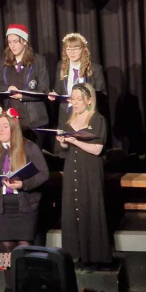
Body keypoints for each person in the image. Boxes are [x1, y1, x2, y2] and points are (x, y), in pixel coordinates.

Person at [0, 109, 49, 292]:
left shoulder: (29, 148)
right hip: (2, 208)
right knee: (6, 249)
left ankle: (27, 287)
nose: (0, 129)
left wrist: (23, 184)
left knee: (24, 247)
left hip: (25, 207)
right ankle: (10, 288)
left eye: (5, 126)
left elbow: (43, 174)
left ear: (14, 128)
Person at [56, 83, 112, 266]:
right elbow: (63, 149)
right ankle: (74, 254)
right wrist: (63, 141)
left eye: (79, 98)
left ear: (89, 100)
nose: (76, 102)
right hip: (72, 167)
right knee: (72, 208)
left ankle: (94, 255)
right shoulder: (68, 119)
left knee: (90, 207)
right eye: (73, 98)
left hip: (89, 169)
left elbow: (97, 149)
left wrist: (75, 140)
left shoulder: (97, 119)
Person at [49, 33, 107, 156]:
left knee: (84, 151)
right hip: (66, 115)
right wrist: (54, 94)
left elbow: (102, 93)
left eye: (76, 48)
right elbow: (59, 89)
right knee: (67, 152)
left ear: (83, 49)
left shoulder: (95, 68)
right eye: (69, 49)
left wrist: (83, 99)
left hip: (86, 116)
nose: (72, 52)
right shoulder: (61, 66)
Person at [0, 24, 50, 141]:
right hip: (11, 119)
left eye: (15, 41)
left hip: (34, 121)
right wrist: (7, 89)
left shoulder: (38, 61)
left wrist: (22, 95)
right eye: (9, 42)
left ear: (24, 41)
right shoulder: (2, 61)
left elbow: (43, 89)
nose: (12, 45)